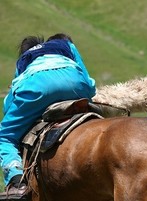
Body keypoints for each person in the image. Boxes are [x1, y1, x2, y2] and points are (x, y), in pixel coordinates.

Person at [0, 33, 96, 199]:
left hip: (36, 86)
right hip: (75, 83)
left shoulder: (26, 56)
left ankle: (17, 183)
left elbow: (11, 100)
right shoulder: (66, 45)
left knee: (5, 137)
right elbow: (88, 82)